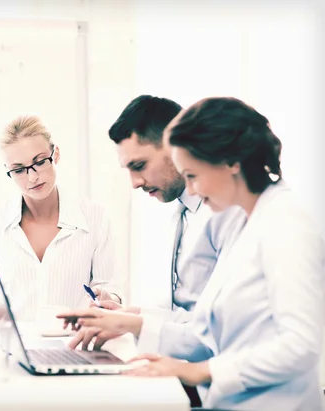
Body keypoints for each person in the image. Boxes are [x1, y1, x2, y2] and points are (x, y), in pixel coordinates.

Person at [61, 97, 324, 411]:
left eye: (193, 176)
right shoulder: (250, 222)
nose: (193, 192)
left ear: (231, 162)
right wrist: (131, 324)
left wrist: (196, 370)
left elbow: (301, 346)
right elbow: (208, 334)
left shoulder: (285, 222)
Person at [88, 95, 246, 353]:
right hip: (187, 369)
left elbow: (220, 329)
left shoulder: (227, 214)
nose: (134, 182)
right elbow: (189, 316)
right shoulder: (176, 211)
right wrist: (131, 318)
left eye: (139, 166)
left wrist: (138, 324)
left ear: (177, 148)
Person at [0, 115, 122, 321]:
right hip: (14, 349)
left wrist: (107, 298)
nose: (32, 177)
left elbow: (111, 291)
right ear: (8, 171)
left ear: (55, 154)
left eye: (39, 162)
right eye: (19, 170)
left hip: (74, 346)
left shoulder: (95, 217)